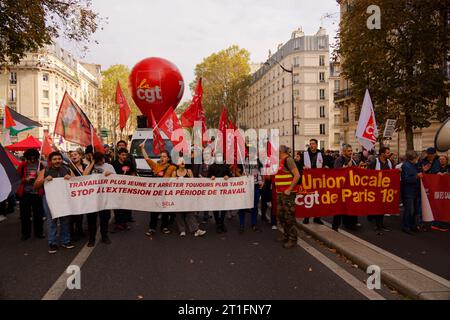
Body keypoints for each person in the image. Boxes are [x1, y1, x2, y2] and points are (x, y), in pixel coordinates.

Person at [34, 152, 74, 254]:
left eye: (59, 159)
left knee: (65, 220)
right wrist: (44, 180)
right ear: (51, 161)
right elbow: (35, 185)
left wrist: (71, 179)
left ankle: (66, 241)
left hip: (64, 199)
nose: (57, 161)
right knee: (52, 221)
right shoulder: (45, 170)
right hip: (49, 200)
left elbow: (77, 182)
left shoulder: (67, 169)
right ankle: (52, 243)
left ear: (62, 160)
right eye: (55, 159)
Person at [140, 144, 176, 236]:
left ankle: (164, 227)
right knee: (154, 211)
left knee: (165, 211)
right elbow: (147, 158)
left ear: (168, 158)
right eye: (161, 156)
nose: (162, 158)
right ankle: (152, 228)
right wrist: (142, 148)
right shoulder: (156, 166)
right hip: (156, 193)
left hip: (166, 193)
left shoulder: (172, 167)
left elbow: (174, 179)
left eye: (164, 156)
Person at [84, 152, 115, 247]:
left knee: (105, 218)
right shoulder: (90, 167)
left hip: (104, 197)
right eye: (100, 160)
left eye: (103, 159)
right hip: (92, 198)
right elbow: (84, 177)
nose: (103, 161)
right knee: (91, 219)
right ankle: (91, 238)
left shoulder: (109, 166)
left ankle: (104, 235)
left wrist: (111, 175)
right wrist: (92, 163)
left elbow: (116, 179)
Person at [274, 145, 301, 249]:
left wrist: (289, 189)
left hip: (288, 194)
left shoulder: (288, 160)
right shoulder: (280, 161)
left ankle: (292, 239)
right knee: (281, 215)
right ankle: (286, 235)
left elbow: (297, 175)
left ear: (281, 151)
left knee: (289, 217)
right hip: (280, 194)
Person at [172, 158, 206, 237]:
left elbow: (193, 183)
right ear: (177, 163)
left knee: (190, 212)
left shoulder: (189, 171)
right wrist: (175, 180)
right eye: (180, 161)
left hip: (187, 196)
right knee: (179, 213)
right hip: (178, 197)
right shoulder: (174, 173)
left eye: (184, 160)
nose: (182, 162)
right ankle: (182, 230)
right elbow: (172, 185)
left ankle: (196, 230)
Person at [16, 149, 45, 240]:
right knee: (25, 215)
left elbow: (45, 177)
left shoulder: (41, 165)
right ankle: (25, 234)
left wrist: (39, 176)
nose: (32, 160)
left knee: (38, 215)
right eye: (30, 158)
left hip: (37, 193)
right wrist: (25, 179)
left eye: (34, 158)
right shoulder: (22, 165)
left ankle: (39, 232)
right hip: (25, 194)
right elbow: (17, 179)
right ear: (27, 157)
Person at [332, 144, 358, 231]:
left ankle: (349, 224)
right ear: (344, 152)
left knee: (349, 206)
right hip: (341, 188)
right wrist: (347, 167)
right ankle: (335, 226)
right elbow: (336, 172)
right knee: (339, 207)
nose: (351, 153)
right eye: (349, 151)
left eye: (351, 151)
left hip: (350, 187)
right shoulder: (339, 160)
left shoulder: (353, 160)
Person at [368, 146, 393, 235]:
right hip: (376, 188)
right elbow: (369, 173)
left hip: (385, 189)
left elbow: (392, 172)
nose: (389, 154)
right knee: (378, 207)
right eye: (387, 153)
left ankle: (381, 224)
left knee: (383, 207)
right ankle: (378, 225)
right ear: (382, 154)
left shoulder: (389, 162)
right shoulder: (375, 161)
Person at [207, 152, 232, 233]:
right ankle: (217, 223)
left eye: (220, 156)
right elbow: (207, 176)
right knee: (216, 207)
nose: (219, 158)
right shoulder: (211, 167)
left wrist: (228, 176)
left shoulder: (226, 167)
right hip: (215, 191)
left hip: (223, 191)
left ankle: (222, 222)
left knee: (224, 207)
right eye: (217, 156)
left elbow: (230, 176)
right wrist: (211, 177)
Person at [302, 139, 324, 225]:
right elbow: (299, 164)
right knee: (308, 198)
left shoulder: (321, 154)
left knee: (318, 199)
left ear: (316, 145)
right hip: (308, 180)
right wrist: (303, 167)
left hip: (318, 180)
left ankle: (317, 218)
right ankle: (306, 217)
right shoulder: (304, 154)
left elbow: (326, 164)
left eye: (313, 144)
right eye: (310, 144)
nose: (311, 145)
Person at [238, 159, 263, 234]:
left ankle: (254, 223)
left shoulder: (258, 160)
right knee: (242, 205)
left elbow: (261, 171)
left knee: (254, 205)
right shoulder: (242, 160)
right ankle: (241, 225)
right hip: (245, 185)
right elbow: (236, 171)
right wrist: (243, 177)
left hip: (256, 185)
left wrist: (262, 181)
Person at [400, 151, 422, 234]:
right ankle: (406, 227)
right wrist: (416, 176)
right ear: (412, 158)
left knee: (415, 210)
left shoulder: (413, 165)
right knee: (409, 210)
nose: (417, 159)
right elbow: (405, 179)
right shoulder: (405, 166)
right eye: (416, 158)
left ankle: (413, 225)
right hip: (408, 191)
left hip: (415, 190)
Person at [67, 150, 87, 241]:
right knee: (71, 214)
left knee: (80, 213)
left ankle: (79, 229)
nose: (73, 156)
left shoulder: (85, 166)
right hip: (72, 194)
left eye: (75, 154)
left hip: (82, 193)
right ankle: (70, 232)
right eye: (71, 155)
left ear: (80, 156)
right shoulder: (68, 168)